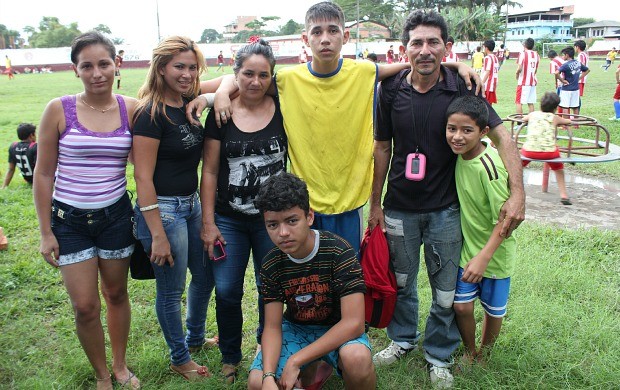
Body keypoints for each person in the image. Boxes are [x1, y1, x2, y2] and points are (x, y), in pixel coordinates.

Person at [192, 1, 481, 258]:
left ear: (345, 36)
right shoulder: (288, 80)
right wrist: (215, 95)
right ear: (306, 39)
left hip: (350, 200)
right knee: (309, 271)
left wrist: (454, 64)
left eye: (332, 31)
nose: (325, 39)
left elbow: (413, 63)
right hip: (305, 201)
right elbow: (243, 81)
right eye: (317, 32)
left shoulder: (364, 72)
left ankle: (352, 320)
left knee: (346, 270)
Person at [369, 10, 524, 388]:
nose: (425, 50)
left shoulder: (462, 86)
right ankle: (402, 338)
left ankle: (439, 353)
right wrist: (375, 202)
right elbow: (382, 147)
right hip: (400, 207)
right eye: (417, 43)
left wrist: (518, 191)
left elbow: (502, 136)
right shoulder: (389, 91)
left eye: (433, 42)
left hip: (445, 209)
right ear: (404, 49)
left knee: (445, 290)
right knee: (402, 281)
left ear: (447, 47)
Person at [32, 31, 140, 390]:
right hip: (69, 222)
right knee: (85, 306)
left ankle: (121, 366)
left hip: (115, 218)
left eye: (104, 64)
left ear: (117, 64)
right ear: (75, 70)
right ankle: (101, 375)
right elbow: (44, 173)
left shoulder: (131, 108)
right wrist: (46, 231)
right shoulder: (57, 109)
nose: (97, 73)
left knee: (116, 294)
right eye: (87, 66)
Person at [200, 38, 286, 384]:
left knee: (272, 289)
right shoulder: (221, 113)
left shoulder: (283, 106)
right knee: (227, 290)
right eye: (247, 73)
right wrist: (208, 223)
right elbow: (208, 170)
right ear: (235, 74)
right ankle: (230, 355)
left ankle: (266, 348)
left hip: (273, 222)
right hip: (229, 219)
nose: (255, 81)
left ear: (272, 77)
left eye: (263, 75)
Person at [132, 36, 214, 382]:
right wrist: (156, 234)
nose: (187, 73)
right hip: (162, 210)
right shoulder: (151, 114)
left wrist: (208, 96)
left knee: (206, 274)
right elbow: (142, 177)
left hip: (192, 205)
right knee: (171, 290)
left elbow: (230, 81)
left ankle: (194, 337)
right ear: (162, 68)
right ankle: (180, 358)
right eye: (179, 66)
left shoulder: (187, 102)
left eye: (193, 67)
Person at [247, 172, 375, 390]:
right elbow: (272, 326)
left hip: (337, 327)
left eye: (292, 221)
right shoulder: (271, 264)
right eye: (273, 225)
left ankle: (311, 367)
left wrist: (296, 360)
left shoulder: (339, 251)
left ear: (309, 217)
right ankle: (304, 375)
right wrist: (269, 375)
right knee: (257, 383)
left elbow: (354, 323)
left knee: (357, 358)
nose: (283, 233)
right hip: (297, 328)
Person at [445, 96, 517, 364]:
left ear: (483, 132)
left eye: (467, 130)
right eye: (452, 129)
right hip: (469, 251)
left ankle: (484, 355)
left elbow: (505, 220)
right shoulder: (460, 157)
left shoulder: (490, 167)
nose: (457, 137)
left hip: (495, 254)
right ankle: (469, 350)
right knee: (462, 306)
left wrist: (485, 256)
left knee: (493, 311)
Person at [520, 91, 573, 204]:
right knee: (558, 169)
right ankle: (564, 195)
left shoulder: (532, 114)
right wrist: (566, 121)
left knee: (518, 167)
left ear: (541, 104)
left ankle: (511, 190)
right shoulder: (554, 117)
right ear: (555, 108)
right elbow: (567, 121)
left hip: (529, 151)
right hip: (549, 152)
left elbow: (523, 119)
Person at [556, 46, 590, 117]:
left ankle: (565, 124)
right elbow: (587, 70)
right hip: (576, 88)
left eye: (563, 55)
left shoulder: (565, 65)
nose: (562, 56)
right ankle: (576, 124)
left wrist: (562, 80)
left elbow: (556, 73)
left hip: (566, 89)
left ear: (567, 55)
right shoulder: (578, 63)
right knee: (575, 106)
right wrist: (579, 78)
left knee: (565, 106)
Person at [2, 123, 37, 188]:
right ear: (31, 135)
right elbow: (40, 169)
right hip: (37, 180)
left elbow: (11, 169)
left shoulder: (13, 146)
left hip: (28, 179)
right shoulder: (35, 147)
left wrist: (3, 186)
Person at [515, 37, 540, 115]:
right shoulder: (536, 55)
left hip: (523, 82)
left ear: (525, 45)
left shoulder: (522, 54)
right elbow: (536, 69)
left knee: (519, 102)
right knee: (530, 102)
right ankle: (531, 121)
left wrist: (517, 74)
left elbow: (519, 68)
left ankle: (519, 122)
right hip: (532, 81)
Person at [481, 39, 499, 106]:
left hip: (488, 84)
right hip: (493, 83)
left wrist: (481, 83)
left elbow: (487, 72)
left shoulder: (487, 58)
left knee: (485, 104)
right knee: (489, 104)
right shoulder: (495, 58)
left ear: (486, 48)